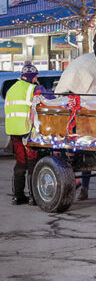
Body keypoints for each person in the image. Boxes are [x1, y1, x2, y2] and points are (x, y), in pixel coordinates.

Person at [57, 53, 96, 201]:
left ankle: (91, 189)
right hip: (89, 130)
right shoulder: (93, 72)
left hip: (90, 130)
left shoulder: (76, 96)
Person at [5, 62, 54, 205]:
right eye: (36, 77)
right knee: (32, 162)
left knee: (20, 161)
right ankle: (34, 197)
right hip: (27, 131)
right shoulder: (34, 89)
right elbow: (49, 98)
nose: (36, 79)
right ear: (33, 76)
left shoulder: (11, 89)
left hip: (13, 130)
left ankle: (18, 196)